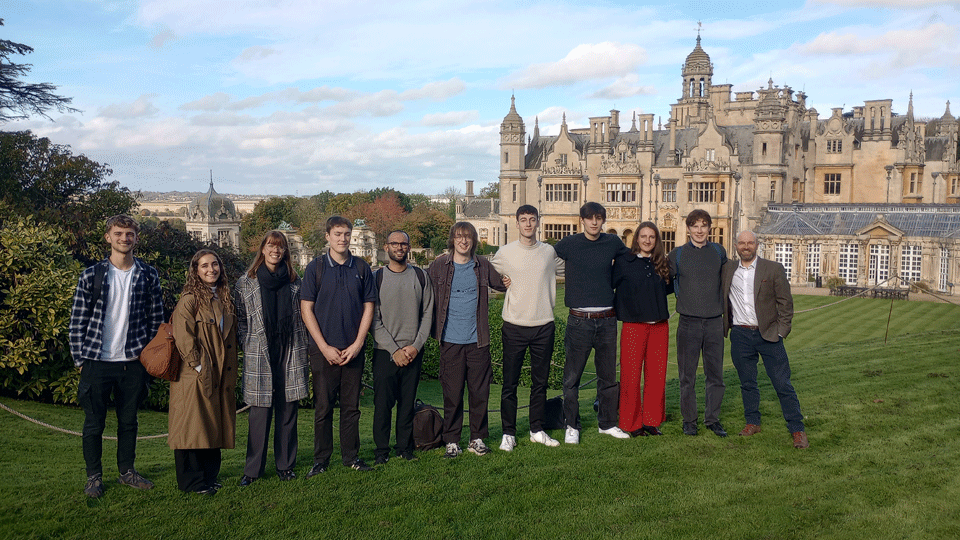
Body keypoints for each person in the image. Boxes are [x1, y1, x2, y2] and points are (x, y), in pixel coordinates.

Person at [70, 214, 163, 498]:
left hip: (132, 362)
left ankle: (127, 472)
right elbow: (77, 321)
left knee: (129, 422)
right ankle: (94, 477)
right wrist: (80, 359)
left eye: (130, 234)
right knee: (94, 424)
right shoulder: (92, 275)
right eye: (119, 233)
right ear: (108, 237)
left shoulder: (148, 274)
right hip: (97, 360)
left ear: (136, 238)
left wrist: (147, 358)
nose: (125, 238)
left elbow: (156, 320)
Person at [301, 216, 376, 474]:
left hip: (353, 350)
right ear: (327, 236)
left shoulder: (362, 268)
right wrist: (323, 347)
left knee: (351, 407)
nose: (342, 239)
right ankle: (321, 461)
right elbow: (306, 309)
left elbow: (369, 307)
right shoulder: (316, 268)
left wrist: (357, 344)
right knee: (323, 408)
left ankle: (351, 458)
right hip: (323, 351)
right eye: (337, 234)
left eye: (346, 234)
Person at [235, 231, 310, 486]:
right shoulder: (246, 283)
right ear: (263, 249)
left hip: (289, 350)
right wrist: (248, 342)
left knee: (288, 412)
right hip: (260, 353)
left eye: (280, 247)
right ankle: (252, 470)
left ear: (285, 251)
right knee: (259, 415)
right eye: (270, 246)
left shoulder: (295, 282)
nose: (275, 251)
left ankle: (285, 465)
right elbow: (241, 320)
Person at [722, 231, 809, 448]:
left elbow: (785, 303)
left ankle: (797, 429)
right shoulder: (728, 269)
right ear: (736, 245)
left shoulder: (773, 269)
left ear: (757, 245)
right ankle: (753, 422)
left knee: (782, 383)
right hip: (741, 334)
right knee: (748, 383)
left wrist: (781, 331)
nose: (746, 246)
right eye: (742, 243)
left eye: (750, 242)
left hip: (769, 333)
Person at [554, 202, 631, 444]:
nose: (594, 222)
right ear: (582, 220)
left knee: (608, 377)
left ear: (603, 220)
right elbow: (542, 259)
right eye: (590, 218)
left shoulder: (612, 243)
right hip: (579, 321)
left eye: (599, 218)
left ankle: (607, 423)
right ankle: (572, 425)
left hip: (607, 320)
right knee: (572, 377)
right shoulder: (569, 244)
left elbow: (633, 261)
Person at [428, 221, 507, 457]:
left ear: (473, 240)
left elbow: (501, 284)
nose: (463, 241)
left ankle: (477, 438)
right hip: (450, 340)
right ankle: (452, 440)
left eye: (468, 237)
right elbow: (423, 290)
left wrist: (509, 281)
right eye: (459, 237)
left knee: (479, 393)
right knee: (452, 394)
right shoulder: (439, 265)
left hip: (477, 341)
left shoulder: (482, 265)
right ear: (452, 240)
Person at [491, 205, 563, 450]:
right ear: (517, 223)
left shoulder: (549, 252)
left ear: (538, 222)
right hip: (514, 325)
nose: (528, 224)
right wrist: (501, 283)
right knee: (509, 384)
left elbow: (572, 269)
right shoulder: (505, 253)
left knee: (539, 383)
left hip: (543, 324)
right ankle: (508, 433)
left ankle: (537, 429)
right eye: (524, 220)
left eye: (532, 220)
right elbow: (489, 276)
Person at [169, 249, 238, 495]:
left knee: (211, 425)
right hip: (195, 374)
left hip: (218, 374)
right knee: (192, 428)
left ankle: (209, 477)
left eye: (215, 264)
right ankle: (192, 483)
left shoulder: (223, 296)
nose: (211, 269)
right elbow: (183, 335)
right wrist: (198, 365)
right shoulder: (190, 298)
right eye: (205, 266)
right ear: (195, 271)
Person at [371, 230, 434, 464]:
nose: (399, 247)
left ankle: (404, 448)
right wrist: (394, 350)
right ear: (386, 247)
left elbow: (428, 313)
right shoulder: (376, 278)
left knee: (407, 404)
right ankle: (381, 451)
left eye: (404, 243)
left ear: (409, 247)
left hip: (413, 351)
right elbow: (373, 319)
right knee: (382, 405)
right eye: (394, 243)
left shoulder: (420, 276)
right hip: (385, 352)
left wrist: (416, 346)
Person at [668, 209, 728, 437]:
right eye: (695, 225)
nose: (699, 230)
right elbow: (660, 279)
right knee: (687, 376)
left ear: (709, 228)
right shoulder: (678, 255)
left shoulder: (718, 252)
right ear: (688, 228)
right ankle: (689, 421)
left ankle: (712, 419)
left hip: (714, 322)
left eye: (704, 225)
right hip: (688, 323)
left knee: (715, 375)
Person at [613, 221, 673, 437]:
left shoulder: (662, 263)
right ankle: (630, 423)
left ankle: (651, 420)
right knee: (630, 376)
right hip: (633, 326)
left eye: (652, 237)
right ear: (636, 238)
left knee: (656, 375)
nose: (647, 240)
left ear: (656, 241)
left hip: (659, 326)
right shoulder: (624, 262)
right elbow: (612, 285)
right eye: (643, 236)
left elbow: (667, 289)